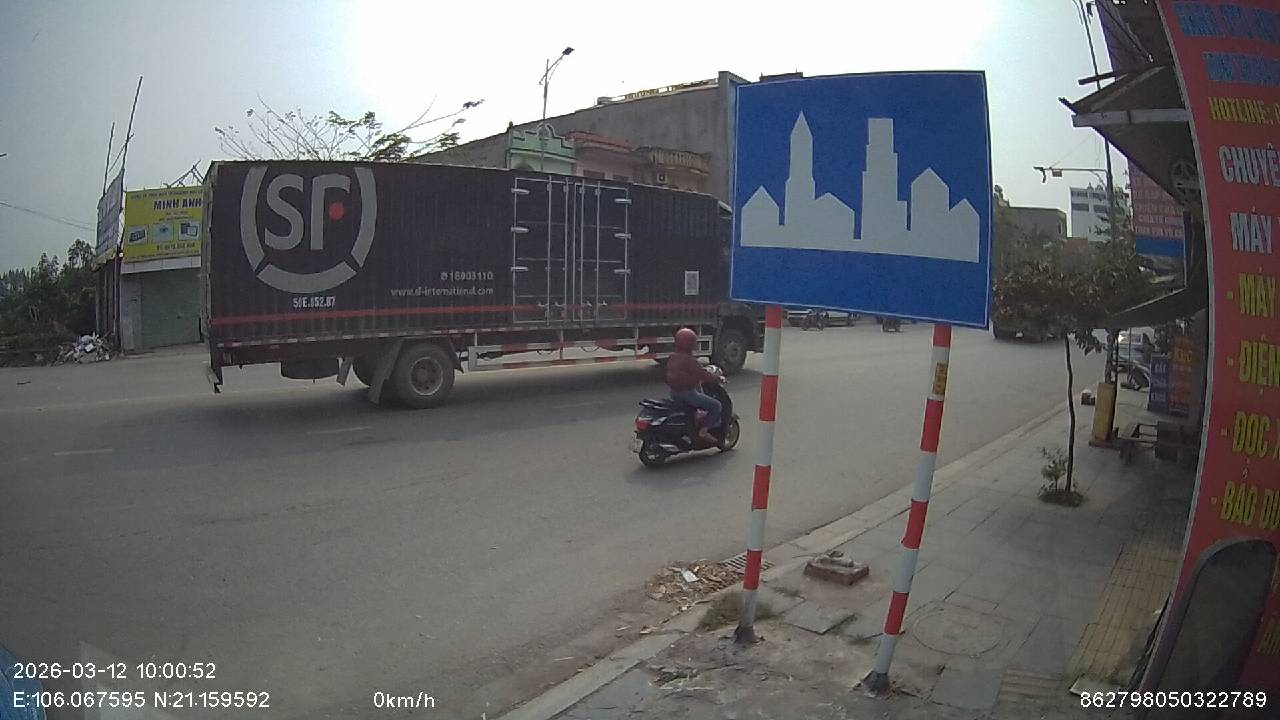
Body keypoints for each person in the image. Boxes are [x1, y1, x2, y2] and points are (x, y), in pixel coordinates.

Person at [665, 328, 723, 447]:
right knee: (716, 405)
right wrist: (718, 379)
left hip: (674, 393)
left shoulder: (672, 357)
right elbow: (703, 374)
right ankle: (704, 430)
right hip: (688, 394)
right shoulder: (690, 361)